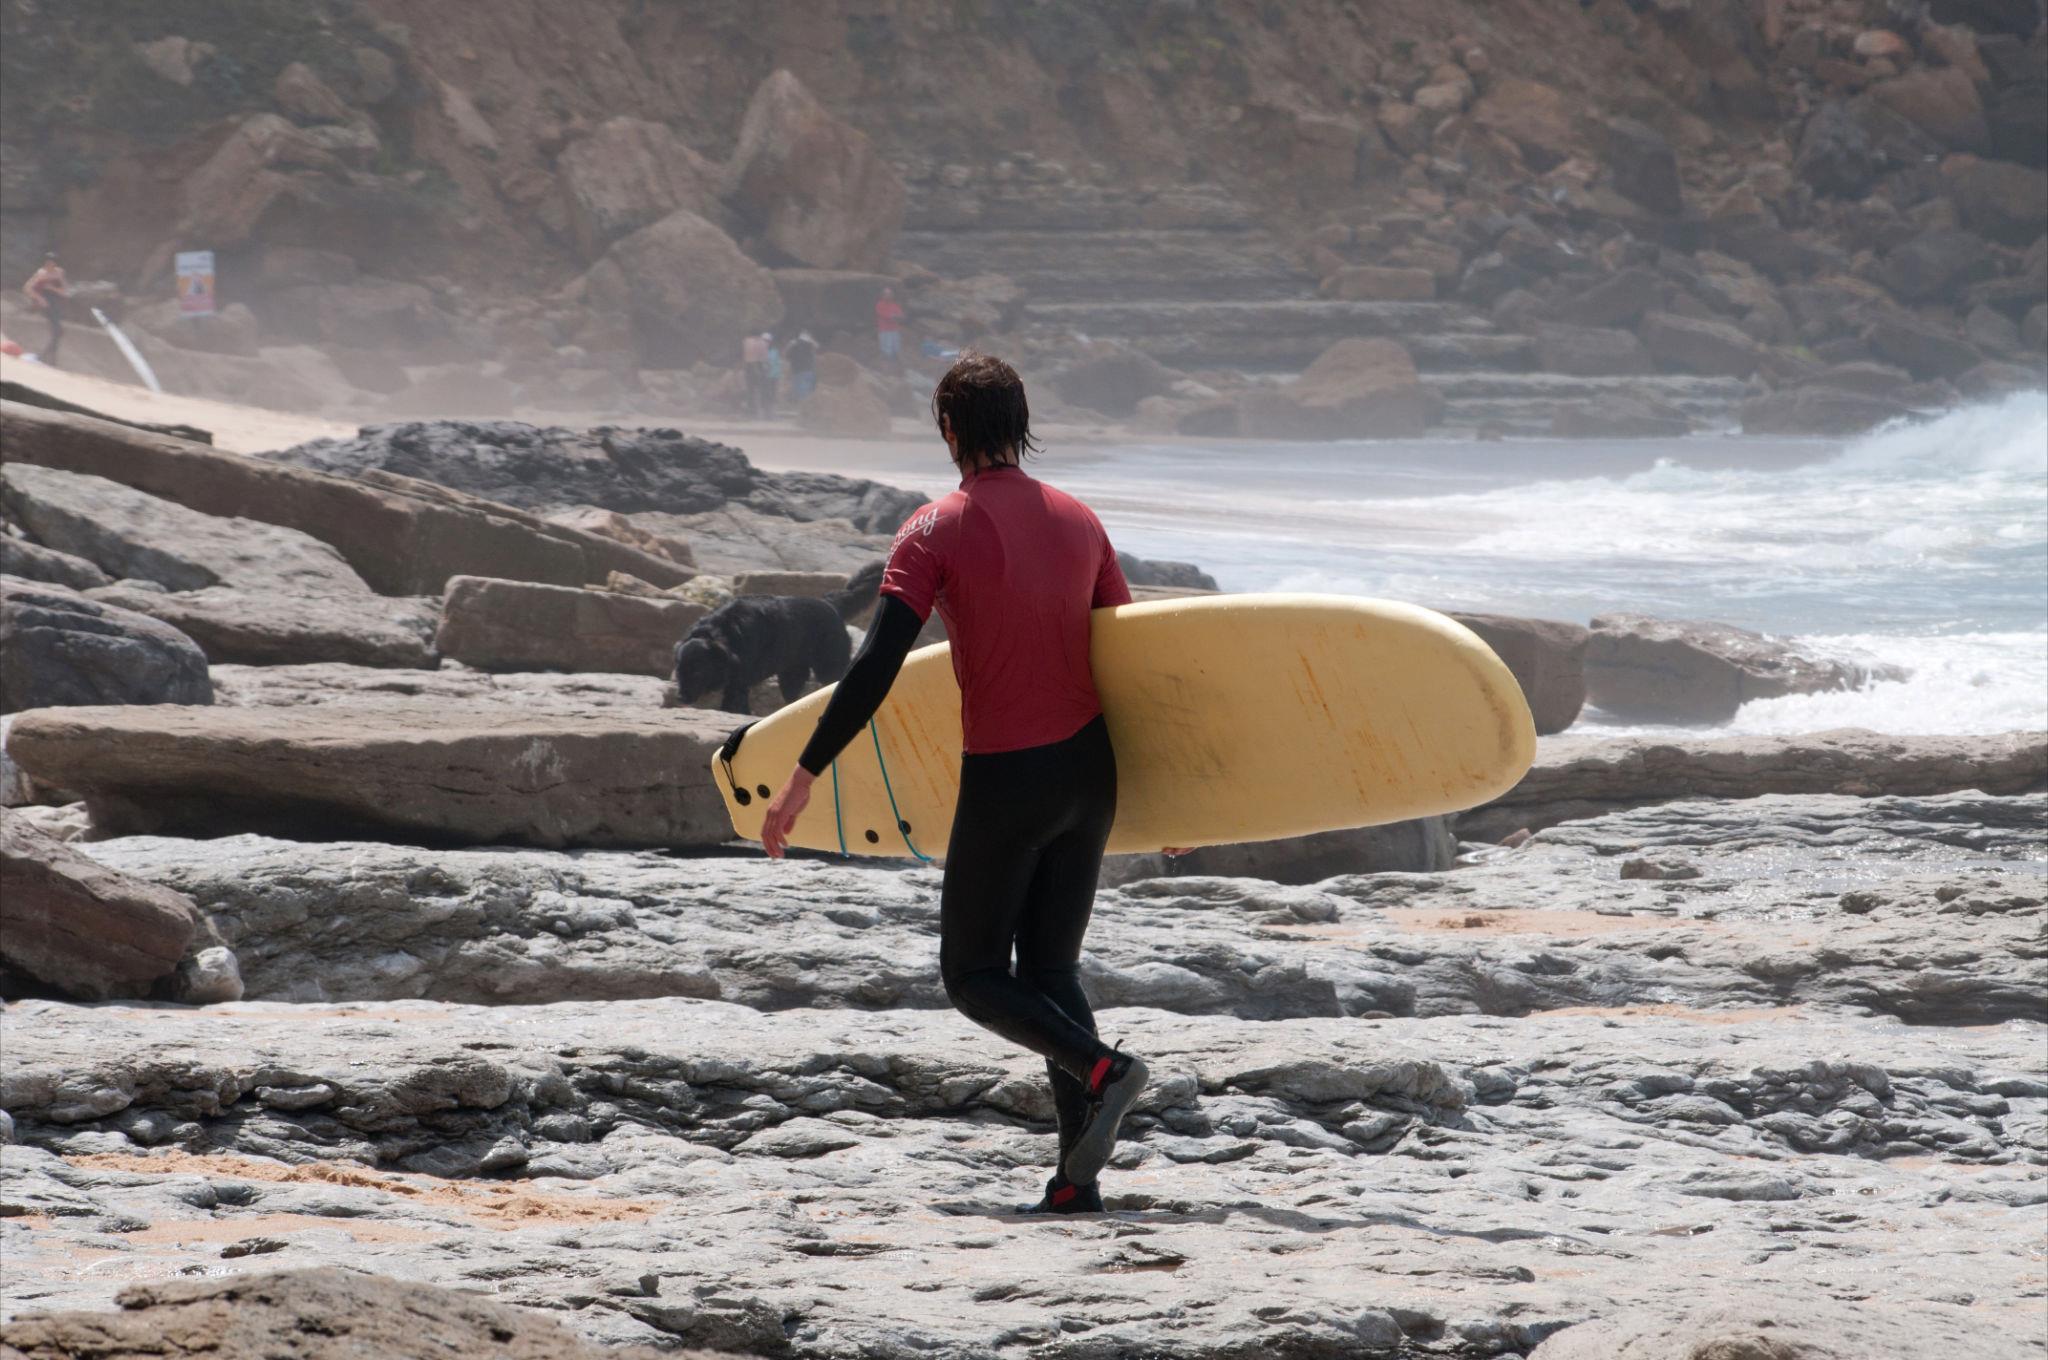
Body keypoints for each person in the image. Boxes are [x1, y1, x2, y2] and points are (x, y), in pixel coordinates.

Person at [758, 352, 1150, 1215]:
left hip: (1012, 776)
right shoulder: (1082, 520)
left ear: (947, 429)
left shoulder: (933, 529)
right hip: (1092, 774)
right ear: (1021, 424)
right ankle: (1076, 1179)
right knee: (1050, 970)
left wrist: (804, 775)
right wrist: (1177, 799)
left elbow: (875, 666)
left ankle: (1104, 1070)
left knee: (973, 974)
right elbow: (1134, 664)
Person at [23, 253, 69, 367]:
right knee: (58, 331)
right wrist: (40, 299)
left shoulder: (59, 273)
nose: (49, 265)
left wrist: (52, 288)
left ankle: (48, 358)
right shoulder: (41, 274)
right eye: (47, 263)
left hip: (56, 303)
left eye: (52, 263)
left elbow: (64, 291)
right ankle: (47, 358)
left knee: (58, 332)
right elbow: (27, 288)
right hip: (47, 304)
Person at [741, 330, 770, 418]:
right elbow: (765, 358)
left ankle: (751, 410)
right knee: (762, 389)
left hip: (749, 366)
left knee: (750, 389)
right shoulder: (762, 342)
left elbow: (744, 355)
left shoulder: (746, 341)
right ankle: (763, 410)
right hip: (759, 366)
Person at [874, 285, 904, 364]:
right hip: (884, 330)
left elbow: (900, 315)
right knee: (886, 349)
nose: (888, 296)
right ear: (882, 295)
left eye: (890, 294)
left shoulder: (894, 305)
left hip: (894, 330)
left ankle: (896, 364)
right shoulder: (879, 304)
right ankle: (886, 364)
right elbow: (884, 315)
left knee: (896, 348)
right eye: (886, 294)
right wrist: (893, 316)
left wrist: (897, 316)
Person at [785, 330, 818, 402]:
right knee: (804, 389)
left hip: (798, 370)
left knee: (799, 389)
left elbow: (787, 356)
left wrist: (790, 345)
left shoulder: (794, 346)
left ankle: (799, 401)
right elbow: (816, 347)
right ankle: (802, 402)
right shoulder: (809, 347)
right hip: (807, 370)